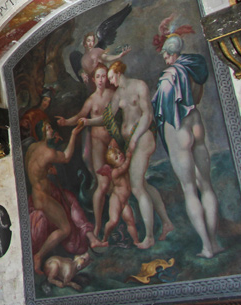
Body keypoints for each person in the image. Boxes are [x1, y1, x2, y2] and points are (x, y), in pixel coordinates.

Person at [81, 61, 174, 249]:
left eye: (110, 77)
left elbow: (147, 115)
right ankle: (167, 222)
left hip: (142, 138)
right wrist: (88, 122)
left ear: (117, 72)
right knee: (143, 184)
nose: (110, 82)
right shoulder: (117, 94)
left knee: (137, 187)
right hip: (131, 141)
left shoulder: (139, 85)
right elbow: (107, 117)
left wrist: (134, 138)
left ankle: (149, 237)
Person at [152, 34, 221, 258]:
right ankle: (214, 241)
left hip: (179, 129)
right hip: (196, 124)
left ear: (172, 54)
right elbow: (196, 98)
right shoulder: (193, 69)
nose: (163, 58)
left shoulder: (168, 77)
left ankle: (206, 247)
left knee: (190, 189)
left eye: (165, 54)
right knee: (207, 186)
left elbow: (164, 111)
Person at [56, 66, 117, 241]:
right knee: (103, 183)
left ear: (106, 78)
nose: (100, 79)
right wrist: (66, 122)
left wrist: (88, 121)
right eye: (97, 76)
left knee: (116, 182)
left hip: (112, 142)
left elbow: (111, 117)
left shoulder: (112, 96)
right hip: (98, 143)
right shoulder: (91, 100)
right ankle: (98, 225)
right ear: (93, 79)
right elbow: (80, 116)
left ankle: (115, 221)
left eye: (103, 76)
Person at [25, 119, 89, 272]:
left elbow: (35, 169)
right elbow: (66, 157)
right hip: (43, 198)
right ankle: (39, 256)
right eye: (48, 129)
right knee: (65, 229)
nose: (51, 131)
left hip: (38, 192)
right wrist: (73, 134)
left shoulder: (33, 148)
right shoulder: (48, 152)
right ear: (42, 133)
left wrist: (47, 169)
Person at [91, 142, 141, 248]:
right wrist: (128, 156)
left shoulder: (123, 168)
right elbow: (125, 166)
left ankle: (136, 241)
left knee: (131, 221)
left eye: (119, 153)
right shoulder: (116, 172)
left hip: (124, 201)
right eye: (116, 157)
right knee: (113, 221)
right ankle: (104, 238)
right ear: (112, 164)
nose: (120, 155)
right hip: (116, 200)